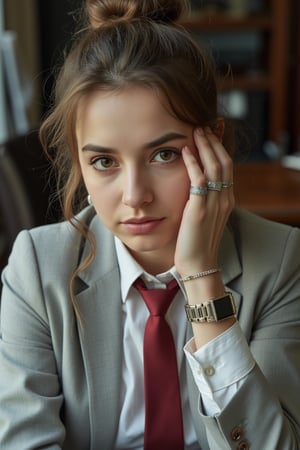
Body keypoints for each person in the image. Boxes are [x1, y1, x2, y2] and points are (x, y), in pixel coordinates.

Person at [1, 0, 300, 449]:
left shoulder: (279, 260)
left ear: (213, 146)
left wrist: (202, 278)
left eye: (164, 155)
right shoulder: (38, 267)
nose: (135, 195)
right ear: (79, 164)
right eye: (104, 161)